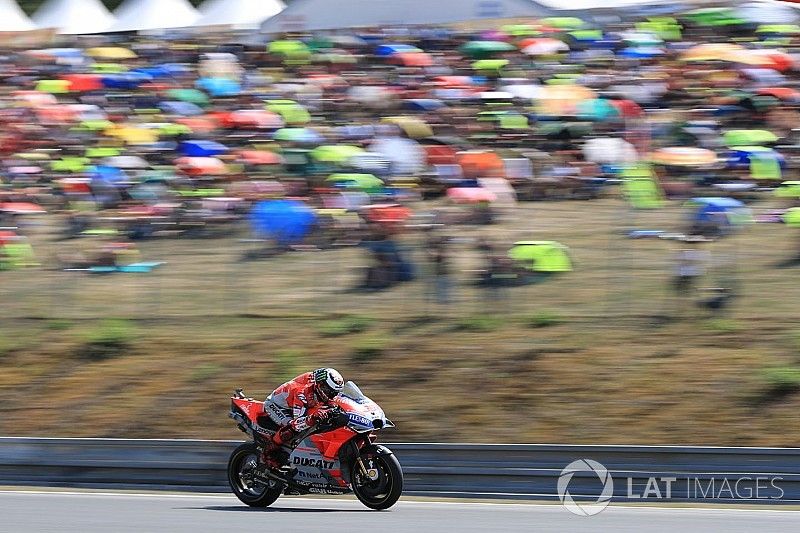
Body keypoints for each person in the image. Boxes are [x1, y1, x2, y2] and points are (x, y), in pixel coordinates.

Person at [260, 368, 345, 469]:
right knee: (291, 429)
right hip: (276, 405)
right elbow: (297, 424)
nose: (332, 396)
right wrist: (312, 417)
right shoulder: (302, 393)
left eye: (335, 393)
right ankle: (268, 453)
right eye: (330, 392)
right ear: (320, 385)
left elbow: (336, 400)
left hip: (298, 403)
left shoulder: (320, 384)